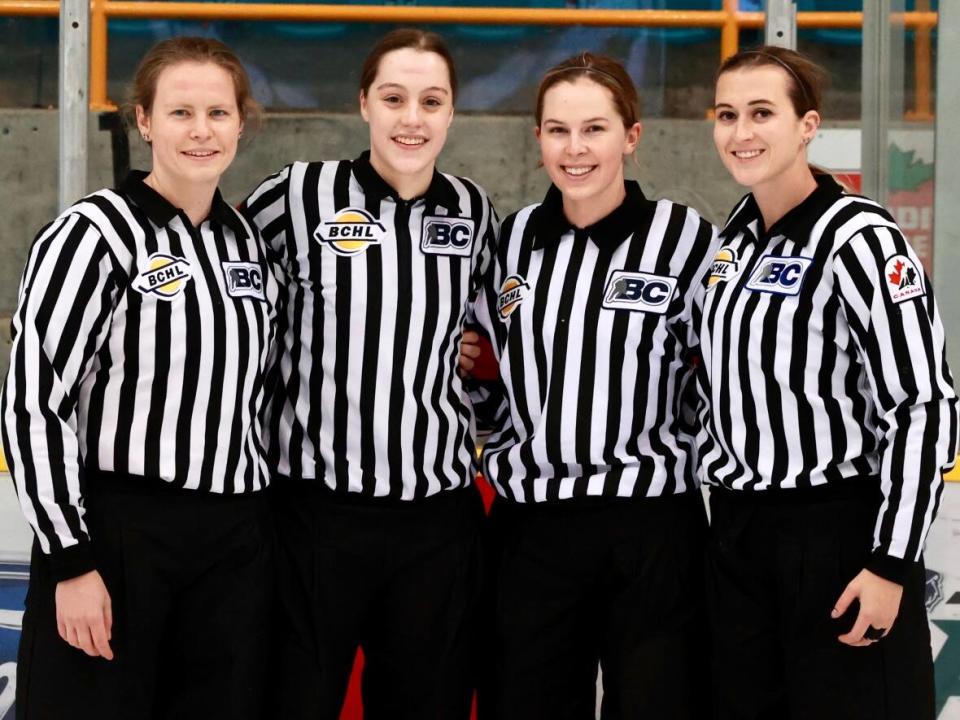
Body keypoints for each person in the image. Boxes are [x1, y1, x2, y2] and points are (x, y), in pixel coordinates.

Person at [1, 37, 278, 719]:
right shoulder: (93, 233)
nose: (201, 131)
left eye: (218, 112)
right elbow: (36, 400)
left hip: (233, 546)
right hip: (121, 534)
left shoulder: (246, 243)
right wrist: (71, 562)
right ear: (145, 120)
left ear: (241, 122)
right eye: (180, 112)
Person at [240, 28, 497, 720]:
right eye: (394, 98)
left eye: (431, 100)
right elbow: (223, 294)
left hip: (436, 520)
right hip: (312, 515)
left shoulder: (473, 211)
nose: (412, 118)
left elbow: (501, 345)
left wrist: (470, 361)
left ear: (451, 113)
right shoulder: (295, 196)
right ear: (364, 104)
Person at [699, 45, 957, 719]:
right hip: (738, 536)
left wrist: (890, 563)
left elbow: (922, 405)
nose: (741, 132)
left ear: (807, 126)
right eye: (728, 114)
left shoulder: (860, 239)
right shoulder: (737, 236)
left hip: (837, 537)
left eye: (762, 113)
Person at [461, 52, 717, 719]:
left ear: (631, 136)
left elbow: (720, 376)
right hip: (532, 531)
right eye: (557, 130)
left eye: (595, 129)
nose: (575, 149)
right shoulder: (510, 242)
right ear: (538, 138)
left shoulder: (687, 241)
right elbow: (484, 373)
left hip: (651, 528)